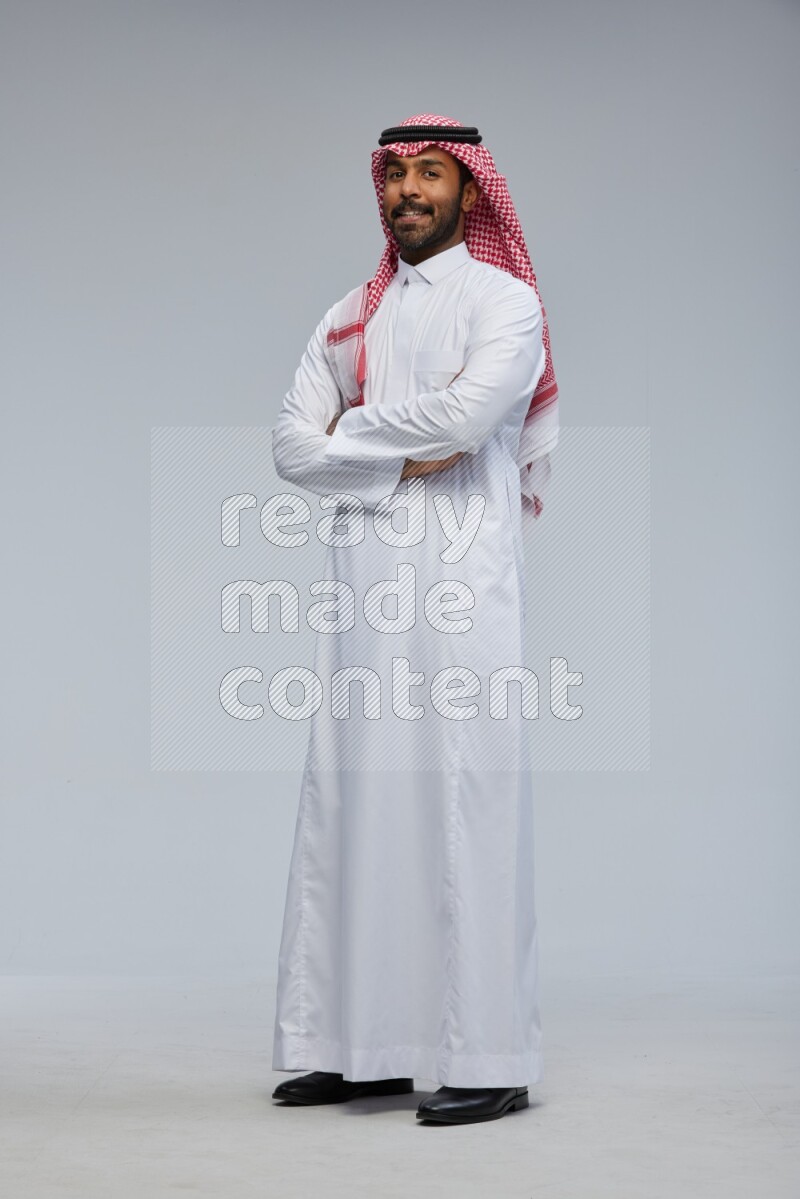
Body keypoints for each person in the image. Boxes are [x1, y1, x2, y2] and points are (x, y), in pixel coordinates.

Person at [269, 113, 559, 1125]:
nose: (409, 191)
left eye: (431, 173)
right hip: (363, 588)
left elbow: (469, 418)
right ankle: (358, 1049)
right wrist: (395, 453)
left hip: (461, 582)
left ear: (470, 190)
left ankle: (488, 1054)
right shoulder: (350, 314)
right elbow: (288, 447)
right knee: (355, 800)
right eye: (395, 174)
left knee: (463, 797)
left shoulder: (505, 300)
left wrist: (348, 432)